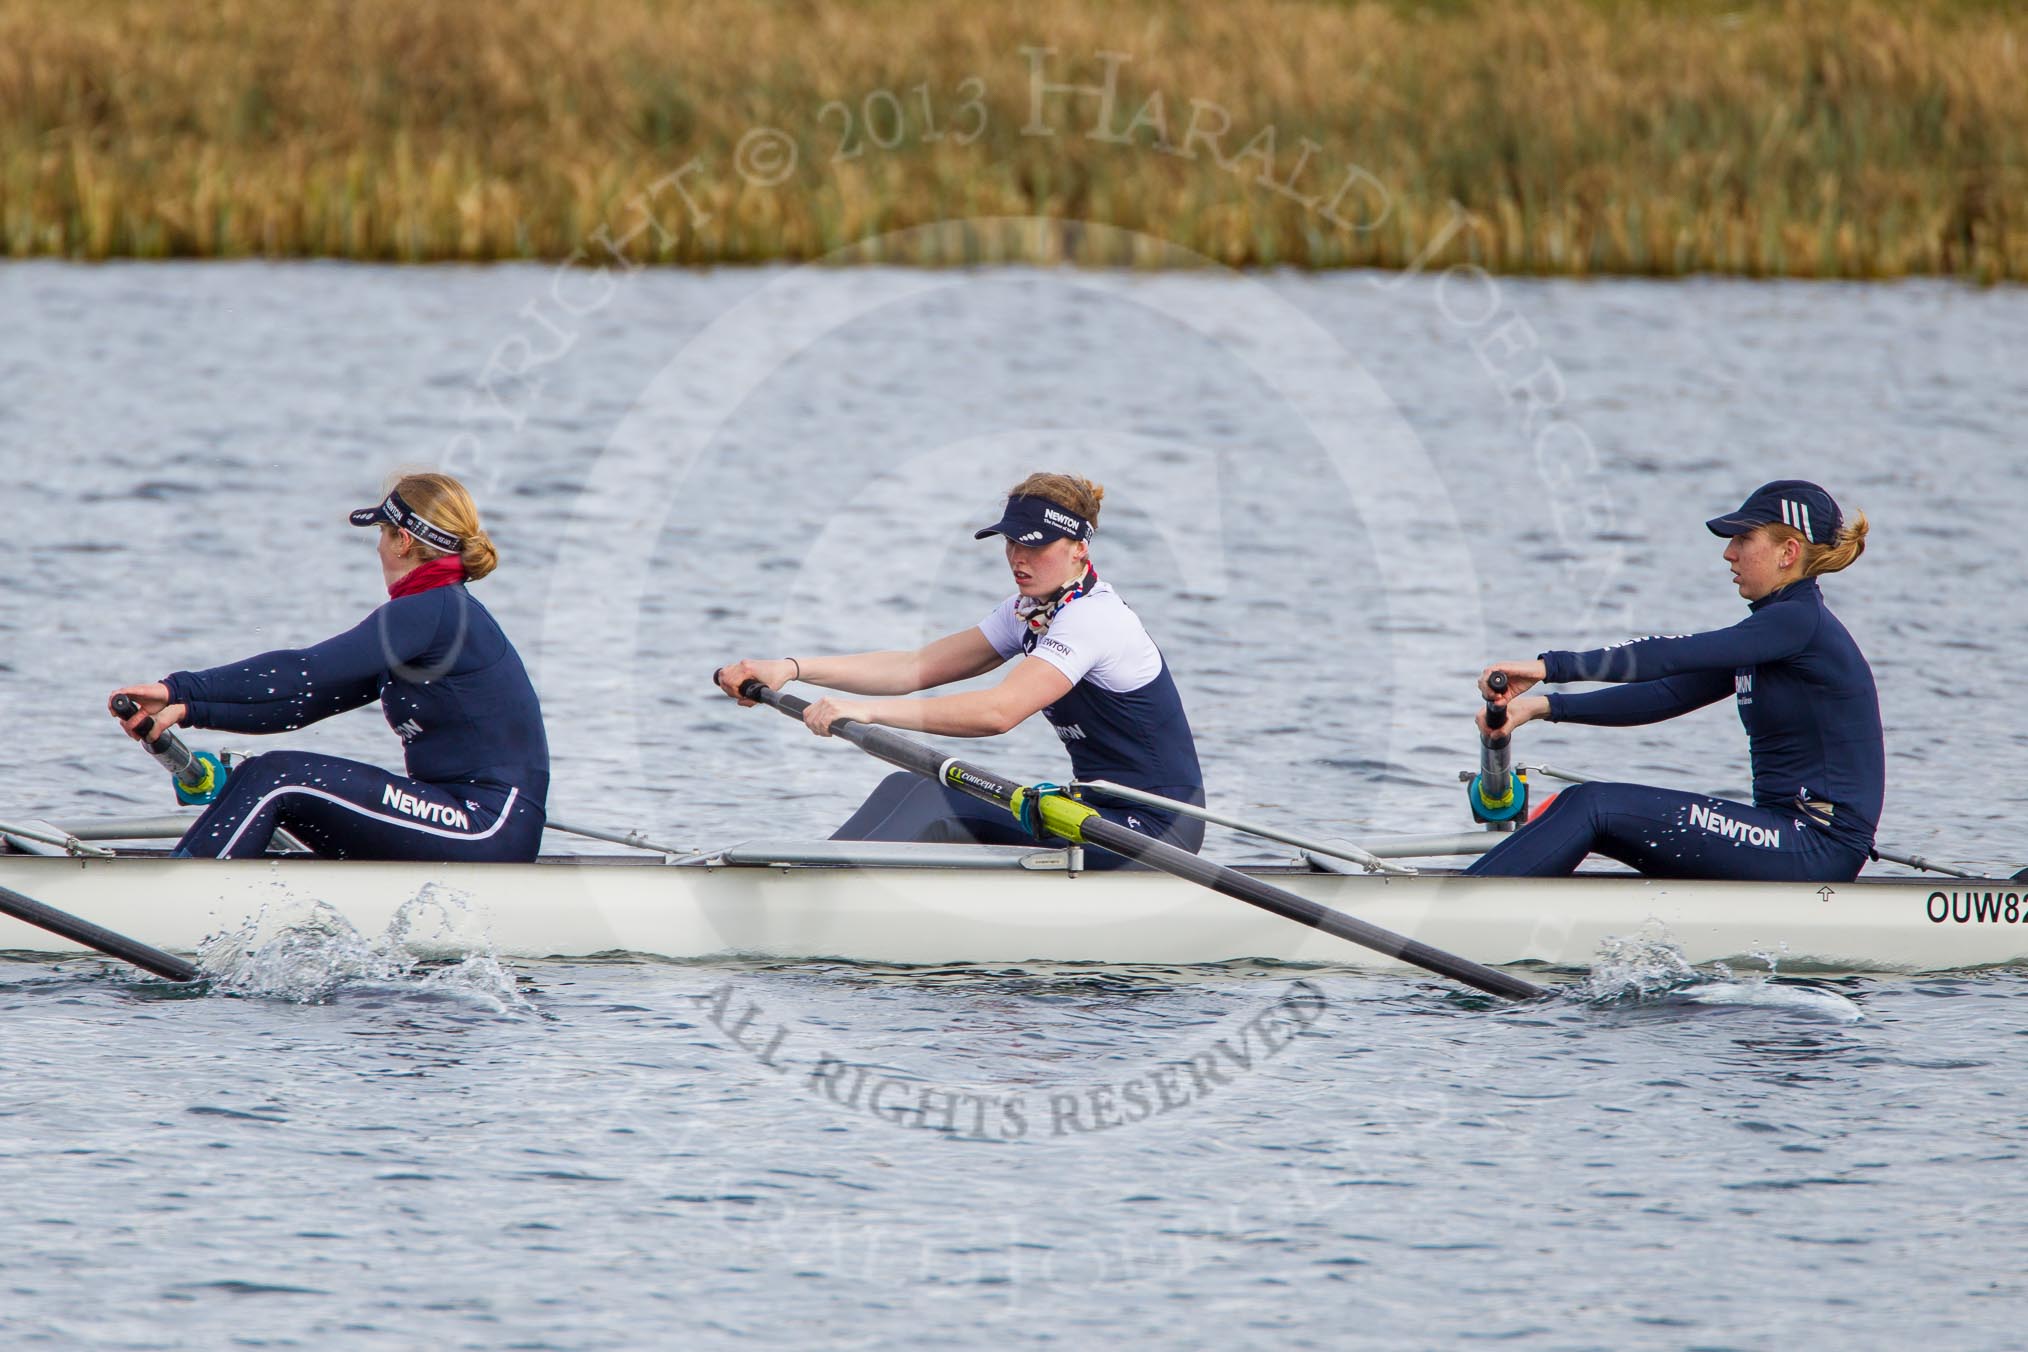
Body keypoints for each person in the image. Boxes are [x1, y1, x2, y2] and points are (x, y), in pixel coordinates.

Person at [714, 473, 1205, 867]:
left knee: (938, 801)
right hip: (1092, 811)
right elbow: (913, 667)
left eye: (1034, 546)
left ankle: (816, 899)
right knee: (907, 786)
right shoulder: (1028, 611)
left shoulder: (1095, 619)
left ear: (1079, 548)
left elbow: (998, 712)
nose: (1017, 557)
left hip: (1156, 830)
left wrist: (865, 713)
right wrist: (791, 667)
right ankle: (811, 878)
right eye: (1011, 542)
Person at [108, 473, 550, 862]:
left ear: (404, 540)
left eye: (381, 532)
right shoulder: (431, 617)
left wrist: (179, 687)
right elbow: (302, 702)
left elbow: (303, 670)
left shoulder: (434, 612)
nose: (378, 547)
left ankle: (181, 900)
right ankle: (194, 880)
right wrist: (189, 710)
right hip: (459, 815)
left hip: (487, 825)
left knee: (275, 777)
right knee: (261, 777)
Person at [1467, 479, 1881, 881]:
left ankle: (1460, 912)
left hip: (1817, 843)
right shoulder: (1775, 633)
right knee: (1587, 806)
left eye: (1743, 540)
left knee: (1594, 804)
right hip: (1786, 836)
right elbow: (1666, 694)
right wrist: (1542, 707)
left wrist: (1550, 667)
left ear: (1787, 552)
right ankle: (1479, 901)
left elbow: (1667, 658)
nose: (1728, 554)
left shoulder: (1797, 623)